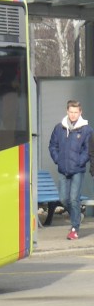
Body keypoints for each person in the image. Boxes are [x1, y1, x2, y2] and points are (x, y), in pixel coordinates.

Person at [48, 100, 92, 240]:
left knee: (74, 199)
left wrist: (80, 161)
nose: (73, 115)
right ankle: (76, 215)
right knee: (63, 199)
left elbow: (88, 150)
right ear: (67, 111)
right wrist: (58, 159)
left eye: (76, 112)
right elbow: (52, 146)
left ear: (80, 112)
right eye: (71, 112)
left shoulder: (87, 130)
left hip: (78, 170)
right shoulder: (59, 128)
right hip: (63, 169)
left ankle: (74, 228)